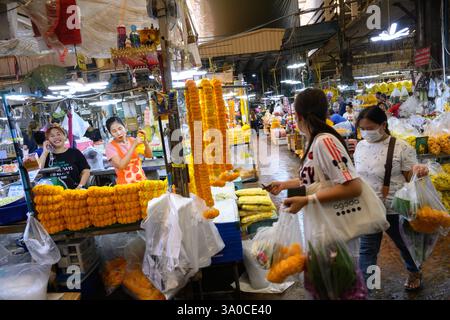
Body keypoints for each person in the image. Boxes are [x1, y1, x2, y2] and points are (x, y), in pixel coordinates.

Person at [353, 106, 429, 291]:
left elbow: (410, 177)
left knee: (404, 245)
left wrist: (420, 172)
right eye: (362, 129)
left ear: (383, 125)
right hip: (370, 208)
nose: (366, 133)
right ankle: (369, 288)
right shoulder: (360, 146)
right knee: (367, 250)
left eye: (370, 128)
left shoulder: (402, 147)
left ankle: (414, 271)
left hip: (395, 208)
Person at [39, 124, 91, 189]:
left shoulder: (75, 153)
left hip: (74, 193)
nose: (56, 137)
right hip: (53, 195)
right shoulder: (46, 156)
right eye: (52, 136)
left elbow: (85, 171)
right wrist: (45, 152)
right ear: (47, 141)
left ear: (65, 137)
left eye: (58, 134)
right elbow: (38, 173)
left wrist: (80, 186)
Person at [105, 116, 152, 184]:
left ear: (125, 127)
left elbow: (149, 155)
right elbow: (121, 165)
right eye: (114, 131)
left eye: (120, 128)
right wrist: (134, 145)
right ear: (110, 133)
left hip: (141, 182)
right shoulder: (110, 147)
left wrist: (145, 142)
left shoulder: (132, 140)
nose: (118, 133)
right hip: (125, 187)